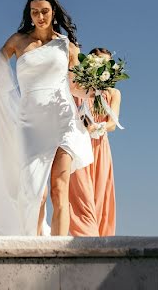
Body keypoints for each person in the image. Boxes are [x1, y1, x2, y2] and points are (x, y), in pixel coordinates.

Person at [0, 0, 94, 236]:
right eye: (35, 12)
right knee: (35, 192)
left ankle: (59, 254)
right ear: (29, 14)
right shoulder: (18, 41)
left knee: (59, 188)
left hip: (62, 117)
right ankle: (36, 247)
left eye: (44, 11)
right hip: (30, 123)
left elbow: (76, 86)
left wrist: (96, 90)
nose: (40, 17)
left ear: (53, 12)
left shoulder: (67, 46)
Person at [69, 47, 122, 236]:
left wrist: (95, 128)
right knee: (81, 194)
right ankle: (84, 237)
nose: (103, 65)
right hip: (79, 144)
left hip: (100, 147)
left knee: (100, 194)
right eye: (99, 61)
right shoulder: (78, 89)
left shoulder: (114, 93)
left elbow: (112, 124)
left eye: (107, 63)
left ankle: (100, 240)